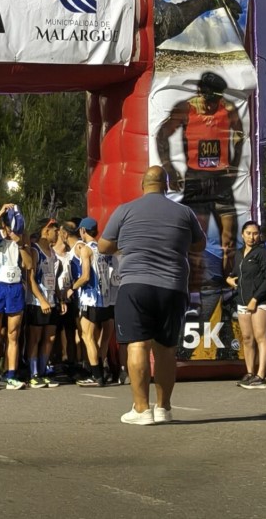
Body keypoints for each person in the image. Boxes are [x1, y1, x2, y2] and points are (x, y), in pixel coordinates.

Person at [99, 166, 206, 425]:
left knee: (138, 345)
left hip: (135, 284)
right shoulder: (184, 212)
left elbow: (103, 246)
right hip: (173, 286)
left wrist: (126, 244)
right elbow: (199, 244)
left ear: (142, 186)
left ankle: (141, 409)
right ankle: (164, 408)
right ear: (166, 186)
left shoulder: (125, 210)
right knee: (166, 348)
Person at [156, 71, 244, 274]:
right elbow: (162, 135)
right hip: (196, 179)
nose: (211, 106)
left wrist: (235, 165)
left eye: (215, 101)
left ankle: (228, 281)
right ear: (200, 92)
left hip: (221, 180)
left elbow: (239, 136)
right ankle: (190, 282)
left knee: (229, 239)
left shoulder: (227, 108)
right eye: (208, 101)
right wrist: (170, 169)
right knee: (193, 238)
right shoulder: (185, 108)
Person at [0, 204, 30, 390]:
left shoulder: (22, 239)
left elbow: (29, 265)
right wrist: (1, 212)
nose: (11, 231)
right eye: (9, 227)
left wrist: (21, 244)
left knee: (13, 334)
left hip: (15, 287)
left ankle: (11, 375)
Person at [67, 217, 113, 387]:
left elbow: (86, 276)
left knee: (88, 337)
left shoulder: (86, 249)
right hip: (105, 298)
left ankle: (96, 376)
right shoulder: (102, 249)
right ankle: (101, 371)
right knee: (100, 338)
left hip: (90, 298)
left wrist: (72, 287)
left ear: (83, 231)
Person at [226, 221, 266, 389]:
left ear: (259, 235)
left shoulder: (262, 253)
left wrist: (255, 299)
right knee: (247, 338)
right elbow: (235, 274)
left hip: (260, 302)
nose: (252, 237)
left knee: (261, 338)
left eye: (255, 233)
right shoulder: (238, 253)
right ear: (242, 235)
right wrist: (229, 279)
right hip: (242, 302)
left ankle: (261, 376)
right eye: (249, 233)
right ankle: (250, 373)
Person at [25, 218, 64, 388]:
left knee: (50, 337)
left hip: (51, 300)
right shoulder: (35, 251)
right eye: (55, 230)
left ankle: (42, 371)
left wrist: (59, 298)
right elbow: (30, 278)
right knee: (35, 338)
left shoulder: (52, 253)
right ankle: (33, 373)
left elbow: (53, 278)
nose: (57, 234)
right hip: (37, 302)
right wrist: (41, 300)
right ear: (45, 231)